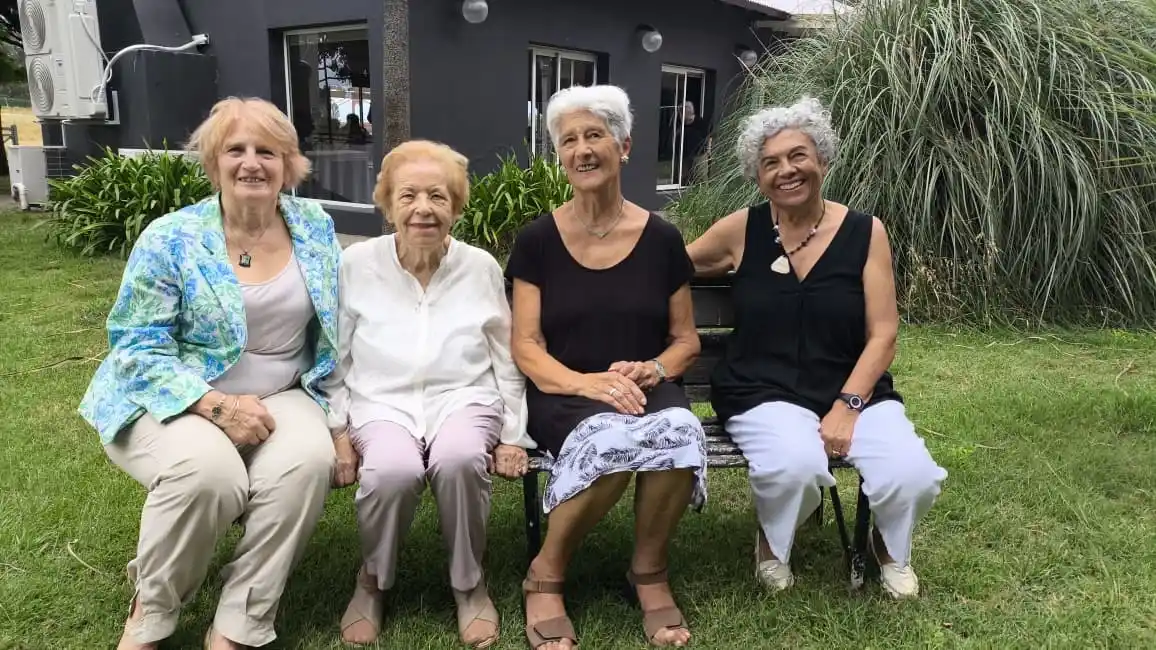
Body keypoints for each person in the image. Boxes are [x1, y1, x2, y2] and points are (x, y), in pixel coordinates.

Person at [78, 96, 355, 650]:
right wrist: (217, 407)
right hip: (172, 393)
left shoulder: (314, 226)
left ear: (288, 164)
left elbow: (328, 332)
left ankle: (240, 622)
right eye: (237, 150)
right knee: (208, 476)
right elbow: (136, 344)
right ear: (214, 162)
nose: (252, 163)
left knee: (304, 465)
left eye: (268, 152)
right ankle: (152, 612)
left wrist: (337, 424)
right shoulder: (170, 237)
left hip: (283, 389)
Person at [686, 96, 948, 599]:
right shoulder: (742, 229)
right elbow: (672, 264)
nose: (786, 170)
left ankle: (886, 542)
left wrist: (848, 407)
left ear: (822, 161)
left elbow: (884, 332)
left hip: (852, 390)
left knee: (913, 475)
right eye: (771, 163)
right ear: (757, 176)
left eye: (798, 156)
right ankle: (771, 539)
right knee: (795, 466)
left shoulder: (865, 232)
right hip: (762, 391)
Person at [504, 84, 706, 649]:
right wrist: (585, 383)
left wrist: (655, 370)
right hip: (562, 390)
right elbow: (526, 344)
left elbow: (685, 340)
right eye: (568, 141)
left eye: (594, 135)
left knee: (676, 430)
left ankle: (649, 572)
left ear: (624, 147)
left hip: (642, 386)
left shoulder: (662, 238)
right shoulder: (537, 241)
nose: (581, 149)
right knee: (612, 443)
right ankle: (546, 572)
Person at [322, 140, 535, 648]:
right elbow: (338, 355)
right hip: (381, 402)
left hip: (464, 398)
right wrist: (338, 431)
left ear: (456, 207)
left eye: (438, 197)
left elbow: (505, 358)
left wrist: (513, 436)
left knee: (460, 458)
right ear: (388, 204)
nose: (423, 209)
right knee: (391, 471)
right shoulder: (357, 264)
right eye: (409, 196)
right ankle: (372, 580)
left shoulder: (480, 266)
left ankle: (468, 582)